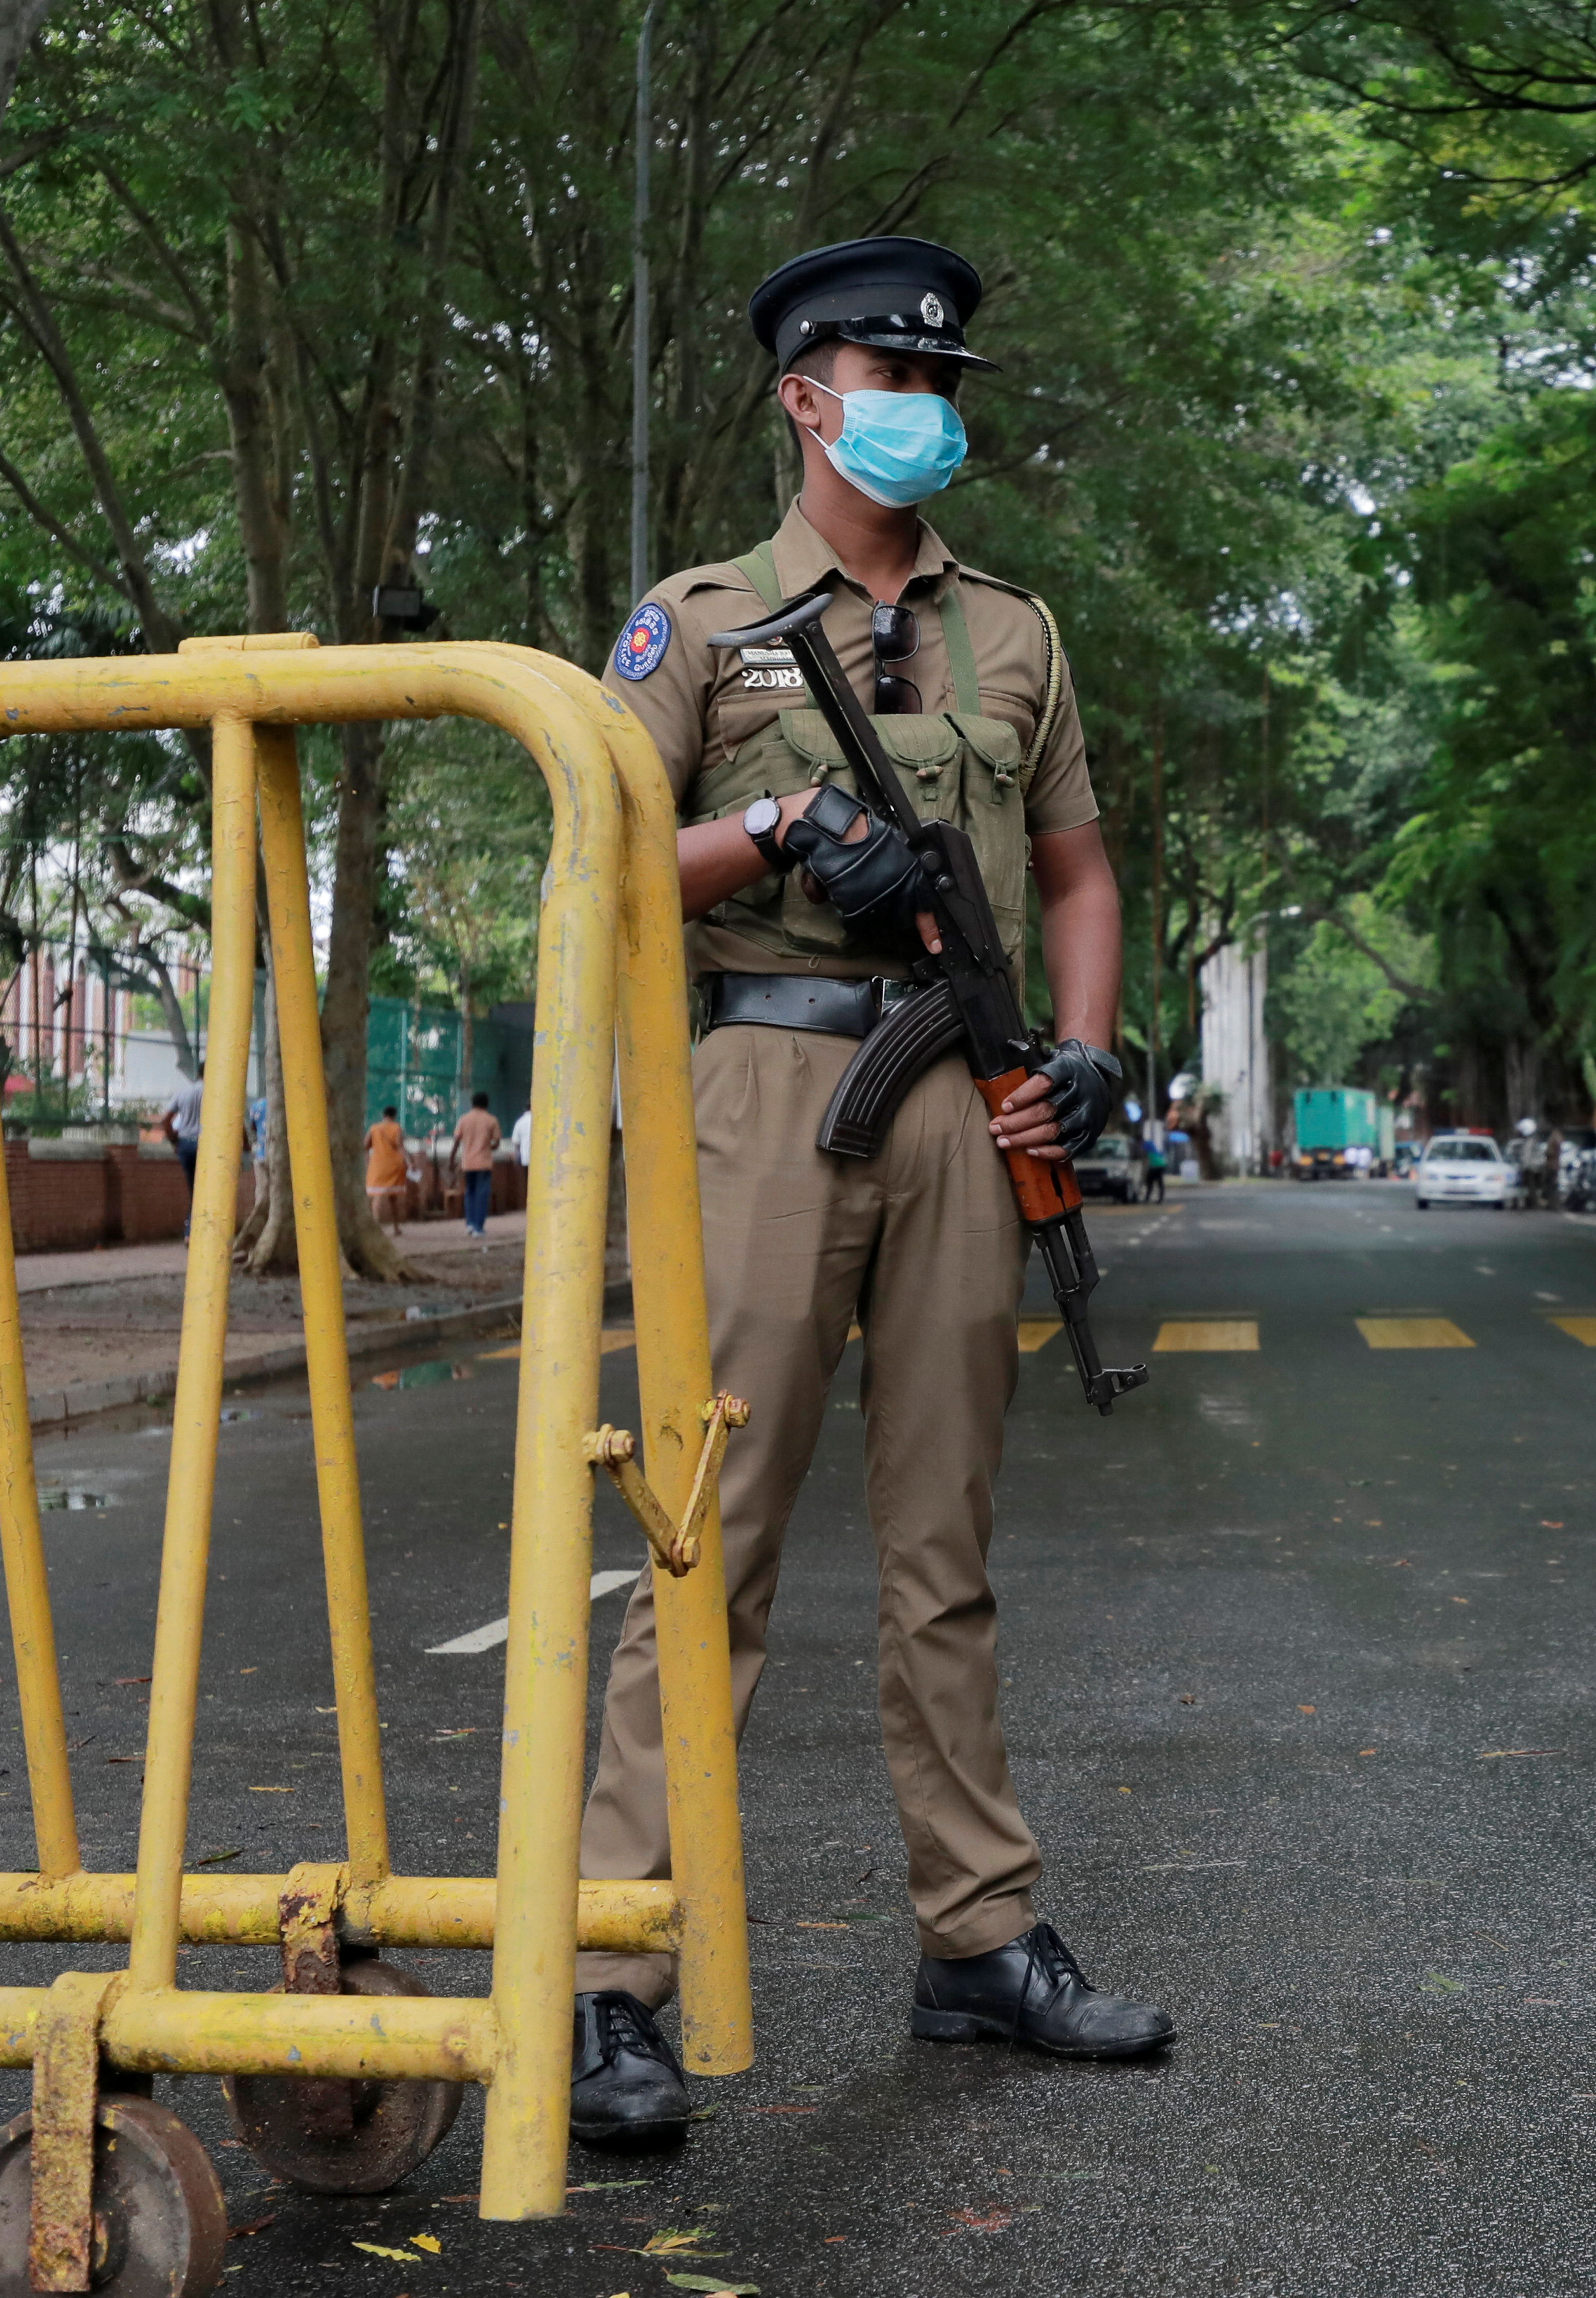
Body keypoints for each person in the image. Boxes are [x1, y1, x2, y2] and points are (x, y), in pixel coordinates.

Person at [566, 233, 1171, 2144]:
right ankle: (610, 1973)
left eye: (940, 380)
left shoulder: (1017, 632)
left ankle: (976, 1940)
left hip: (963, 1092)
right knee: (705, 1530)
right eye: (878, 374)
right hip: (757, 1081)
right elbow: (596, 866)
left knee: (945, 1547)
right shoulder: (698, 621)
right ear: (798, 397)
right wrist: (761, 827)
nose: (918, 405)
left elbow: (1071, 866)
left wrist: (1079, 1047)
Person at [453, 1090, 504, 1238]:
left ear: (473, 1103)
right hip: (484, 1162)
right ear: (487, 1104)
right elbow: (497, 1143)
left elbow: (457, 1141)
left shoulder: (464, 1119)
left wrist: (452, 1160)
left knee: (470, 1193)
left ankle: (469, 1224)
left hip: (468, 1163)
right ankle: (478, 1227)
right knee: (482, 1195)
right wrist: (489, 1147)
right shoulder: (491, 1120)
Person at [364, 1103, 410, 1232]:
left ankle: (376, 1227)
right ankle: (396, 1227)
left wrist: (368, 1160)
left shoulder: (374, 1128)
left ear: (384, 1115)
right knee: (393, 1197)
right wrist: (409, 1163)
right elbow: (400, 1147)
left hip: (378, 1166)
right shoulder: (397, 1128)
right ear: (394, 1116)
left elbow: (365, 1146)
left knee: (377, 1196)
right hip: (394, 1166)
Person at [157, 1074, 203, 1190]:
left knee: (193, 1184)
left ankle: (194, 1206)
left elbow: (166, 1120)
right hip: (207, 1144)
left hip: (186, 1143)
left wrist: (173, 1140)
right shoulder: (216, 1093)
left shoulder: (184, 1092)